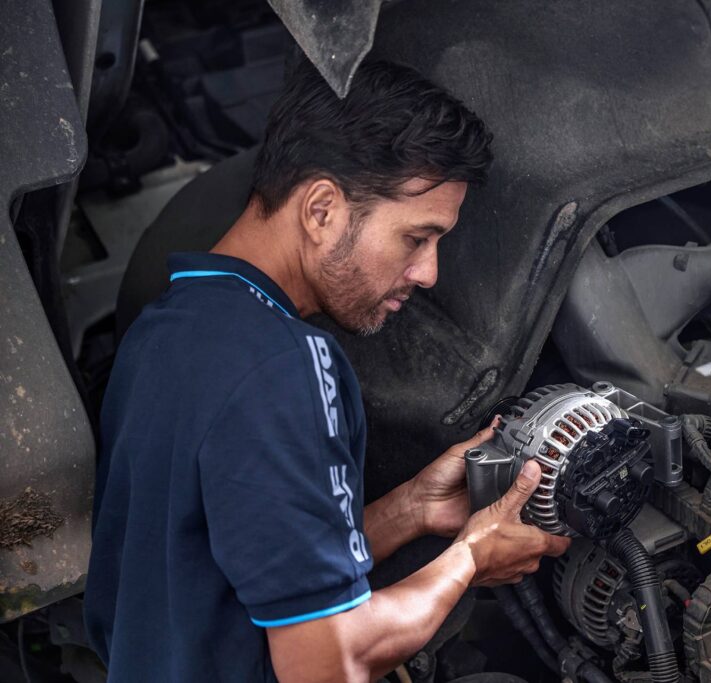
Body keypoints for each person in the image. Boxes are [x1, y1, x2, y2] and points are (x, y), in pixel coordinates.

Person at [84, 56, 570, 682]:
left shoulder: (165, 329)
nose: (428, 273)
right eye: (415, 238)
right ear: (321, 210)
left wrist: (413, 509)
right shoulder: (285, 365)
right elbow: (327, 662)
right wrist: (472, 559)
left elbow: (244, 571)